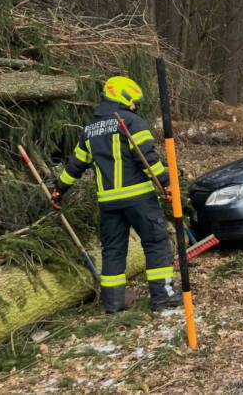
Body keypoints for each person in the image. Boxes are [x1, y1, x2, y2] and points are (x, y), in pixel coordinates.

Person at [51, 76, 182, 313]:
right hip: (139, 198)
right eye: (132, 101)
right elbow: (148, 158)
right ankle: (163, 298)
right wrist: (166, 183)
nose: (134, 105)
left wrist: (59, 190)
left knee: (113, 251)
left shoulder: (90, 130)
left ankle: (113, 304)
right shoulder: (131, 122)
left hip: (108, 203)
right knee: (156, 243)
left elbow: (75, 166)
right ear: (122, 96)